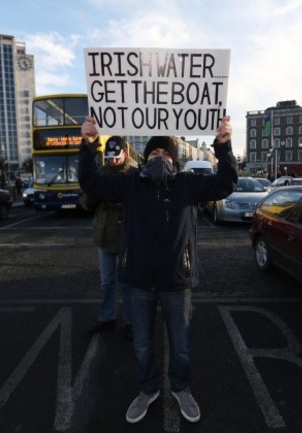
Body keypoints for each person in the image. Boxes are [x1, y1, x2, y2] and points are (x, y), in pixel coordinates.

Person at [79, 115, 238, 424]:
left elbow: (226, 183)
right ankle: (147, 389)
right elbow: (92, 183)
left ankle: (181, 388)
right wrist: (87, 145)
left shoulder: (188, 184)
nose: (160, 159)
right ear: (144, 157)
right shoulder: (129, 184)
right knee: (141, 346)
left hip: (177, 283)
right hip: (138, 282)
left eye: (165, 155)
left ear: (174, 161)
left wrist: (224, 144)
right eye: (154, 154)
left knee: (181, 347)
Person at [80, 136, 137, 340]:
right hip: (104, 235)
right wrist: (96, 194)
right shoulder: (100, 173)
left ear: (126, 154)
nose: (113, 161)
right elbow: (86, 203)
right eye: (109, 157)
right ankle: (107, 318)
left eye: (117, 157)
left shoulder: (135, 174)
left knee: (129, 283)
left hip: (128, 237)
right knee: (107, 282)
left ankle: (131, 322)